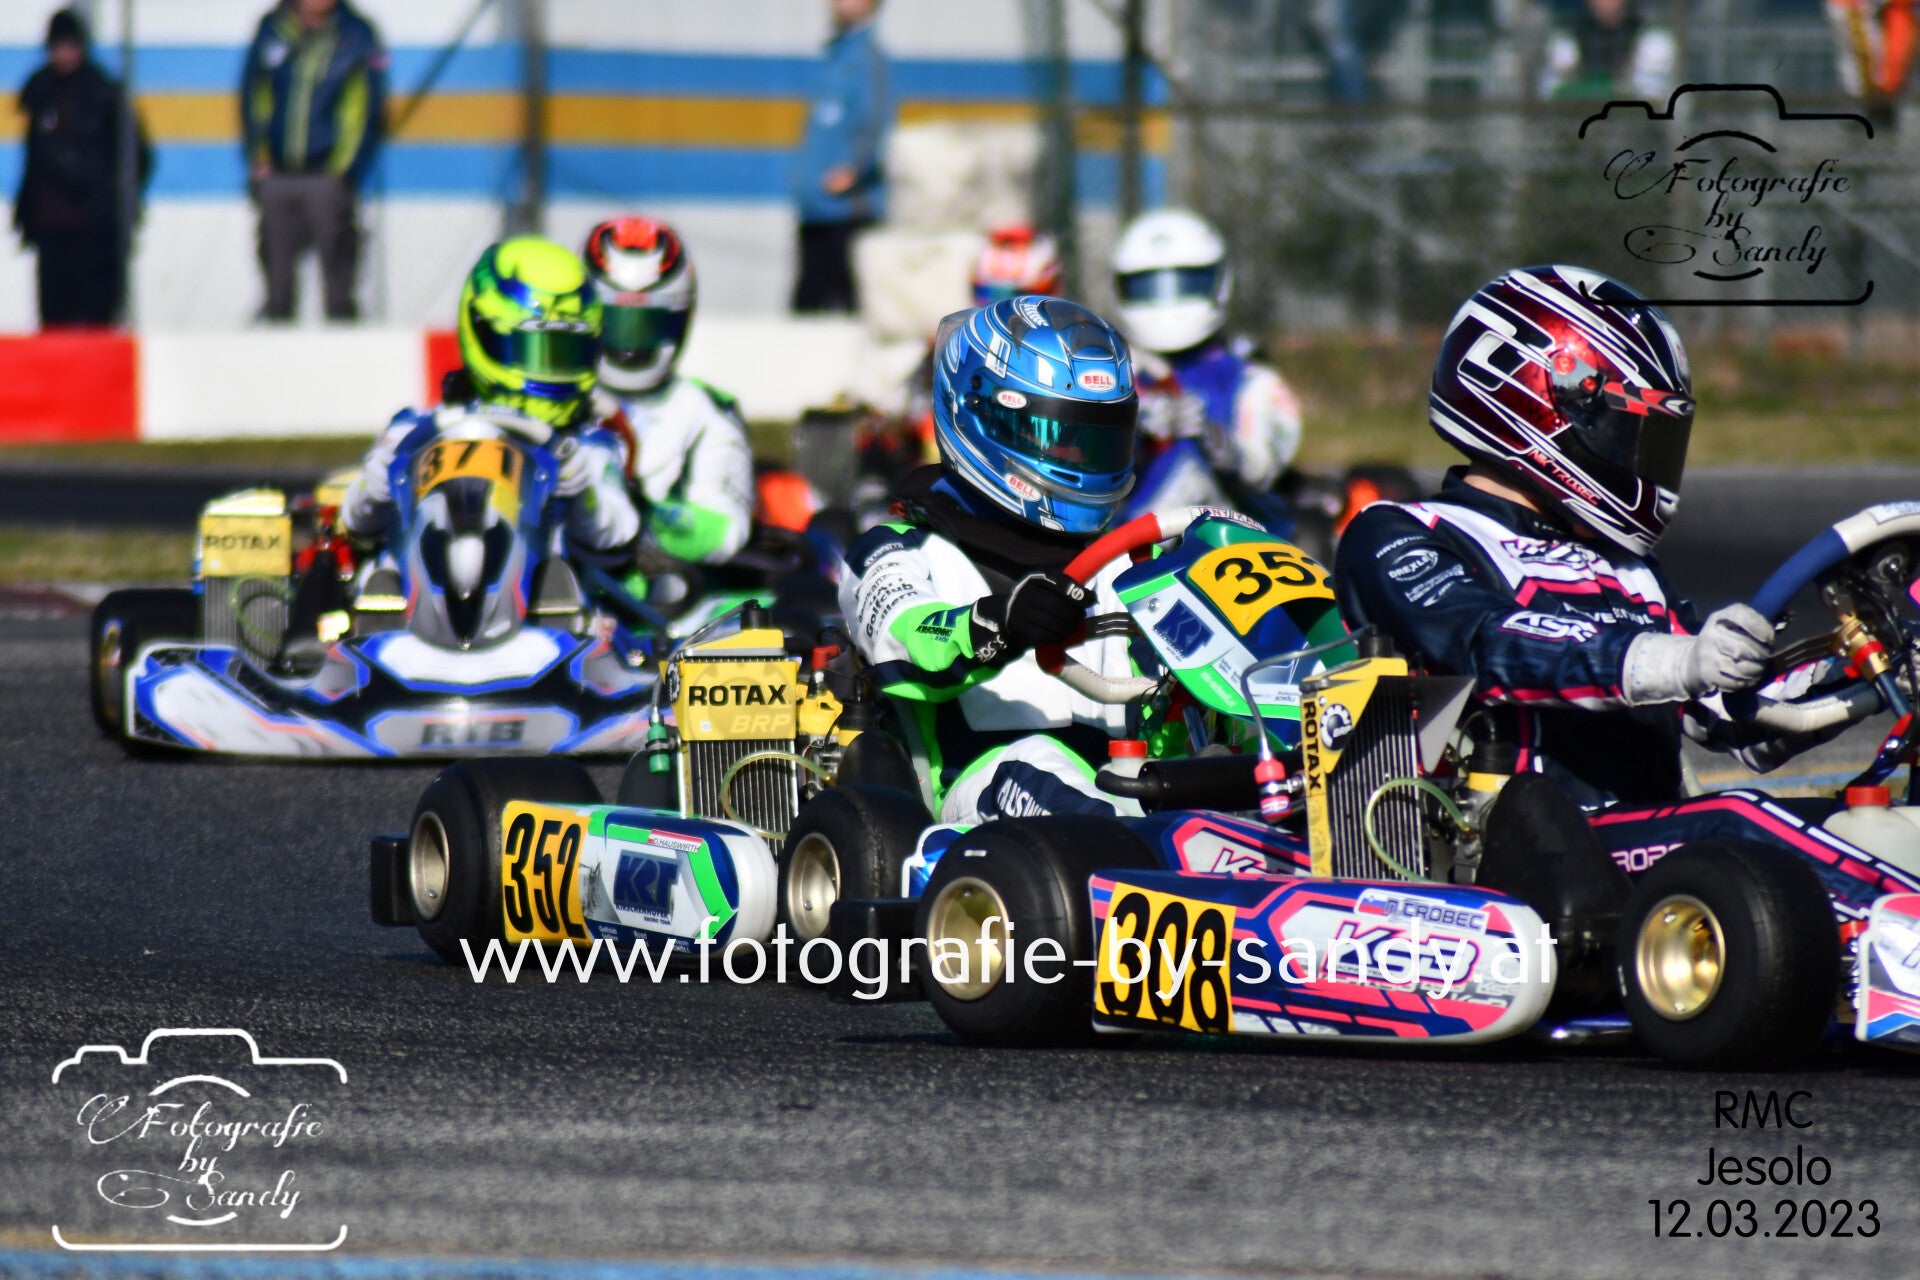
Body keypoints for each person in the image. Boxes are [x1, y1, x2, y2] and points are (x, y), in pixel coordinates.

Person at [1335, 265, 1878, 867]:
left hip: (1647, 854)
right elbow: (1484, 642)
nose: (1640, 458)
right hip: (1504, 862)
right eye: (1628, 431)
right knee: (1743, 835)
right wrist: (1671, 660)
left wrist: (1868, 676)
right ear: (1539, 404)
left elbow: (1733, 717)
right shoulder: (1403, 532)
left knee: (1862, 832)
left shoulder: (1626, 568)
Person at [839, 296, 1148, 825]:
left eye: (1096, 442)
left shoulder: (1130, 561)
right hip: (981, 794)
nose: (1079, 459)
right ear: (982, 414)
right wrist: (998, 624)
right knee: (1037, 767)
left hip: (1131, 783)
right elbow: (904, 637)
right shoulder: (895, 551)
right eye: (1060, 439)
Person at [340, 237, 639, 565]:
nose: (550, 369)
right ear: (483, 334)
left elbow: (619, 534)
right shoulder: (414, 431)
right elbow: (355, 522)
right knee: (372, 573)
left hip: (543, 591)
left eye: (566, 353)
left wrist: (583, 497)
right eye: (533, 351)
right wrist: (374, 487)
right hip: (420, 585)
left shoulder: (587, 448)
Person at [581, 217, 754, 569]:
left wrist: (642, 512)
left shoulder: (705, 409)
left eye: (645, 324)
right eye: (616, 323)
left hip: (656, 582)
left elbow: (726, 529)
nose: (630, 344)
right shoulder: (557, 396)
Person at [1111, 208, 1303, 522]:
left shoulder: (1249, 380)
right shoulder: (1111, 378)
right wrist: (1133, 437)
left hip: (1233, 537)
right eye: (1149, 288)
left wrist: (1223, 448)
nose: (1168, 301)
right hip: (1131, 537)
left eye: (1186, 283)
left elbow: (1266, 467)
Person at [241, 0, 387, 321]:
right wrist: (259, 157)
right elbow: (254, 95)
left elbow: (365, 108)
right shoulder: (273, 28)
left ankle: (344, 347)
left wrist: (343, 170)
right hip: (278, 176)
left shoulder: (355, 34)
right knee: (277, 292)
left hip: (328, 180)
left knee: (339, 293)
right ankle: (276, 345)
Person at [13, 9, 150, 328]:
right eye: (57, 46)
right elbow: (33, 164)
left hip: (96, 231)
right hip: (51, 230)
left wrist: (110, 194)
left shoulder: (104, 94)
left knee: (97, 322)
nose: (64, 53)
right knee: (54, 324)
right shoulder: (40, 93)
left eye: (70, 45)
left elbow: (137, 157)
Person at [791, 0, 889, 314]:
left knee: (849, 308)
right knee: (806, 305)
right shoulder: (833, 54)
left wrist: (852, 170)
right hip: (816, 207)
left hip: (847, 212)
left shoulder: (868, 58)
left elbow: (876, 124)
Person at [1541, 0, 1677, 101]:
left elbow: (1651, 95)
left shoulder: (1651, 39)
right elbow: (1551, 92)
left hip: (1636, 124)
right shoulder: (1567, 38)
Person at [1828, 0, 1916, 122]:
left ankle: (1879, 107)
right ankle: (1870, 107)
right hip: (1856, 7)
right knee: (1862, 56)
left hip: (1898, 9)